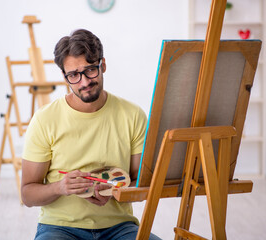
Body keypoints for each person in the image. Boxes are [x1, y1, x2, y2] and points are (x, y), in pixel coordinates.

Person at [21, 29, 161, 240]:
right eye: (74, 75)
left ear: (102, 65)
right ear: (64, 76)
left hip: (120, 227)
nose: (84, 82)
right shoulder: (44, 119)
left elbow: (142, 183)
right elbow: (27, 194)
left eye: (90, 70)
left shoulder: (133, 115)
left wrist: (115, 191)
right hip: (59, 228)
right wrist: (59, 188)